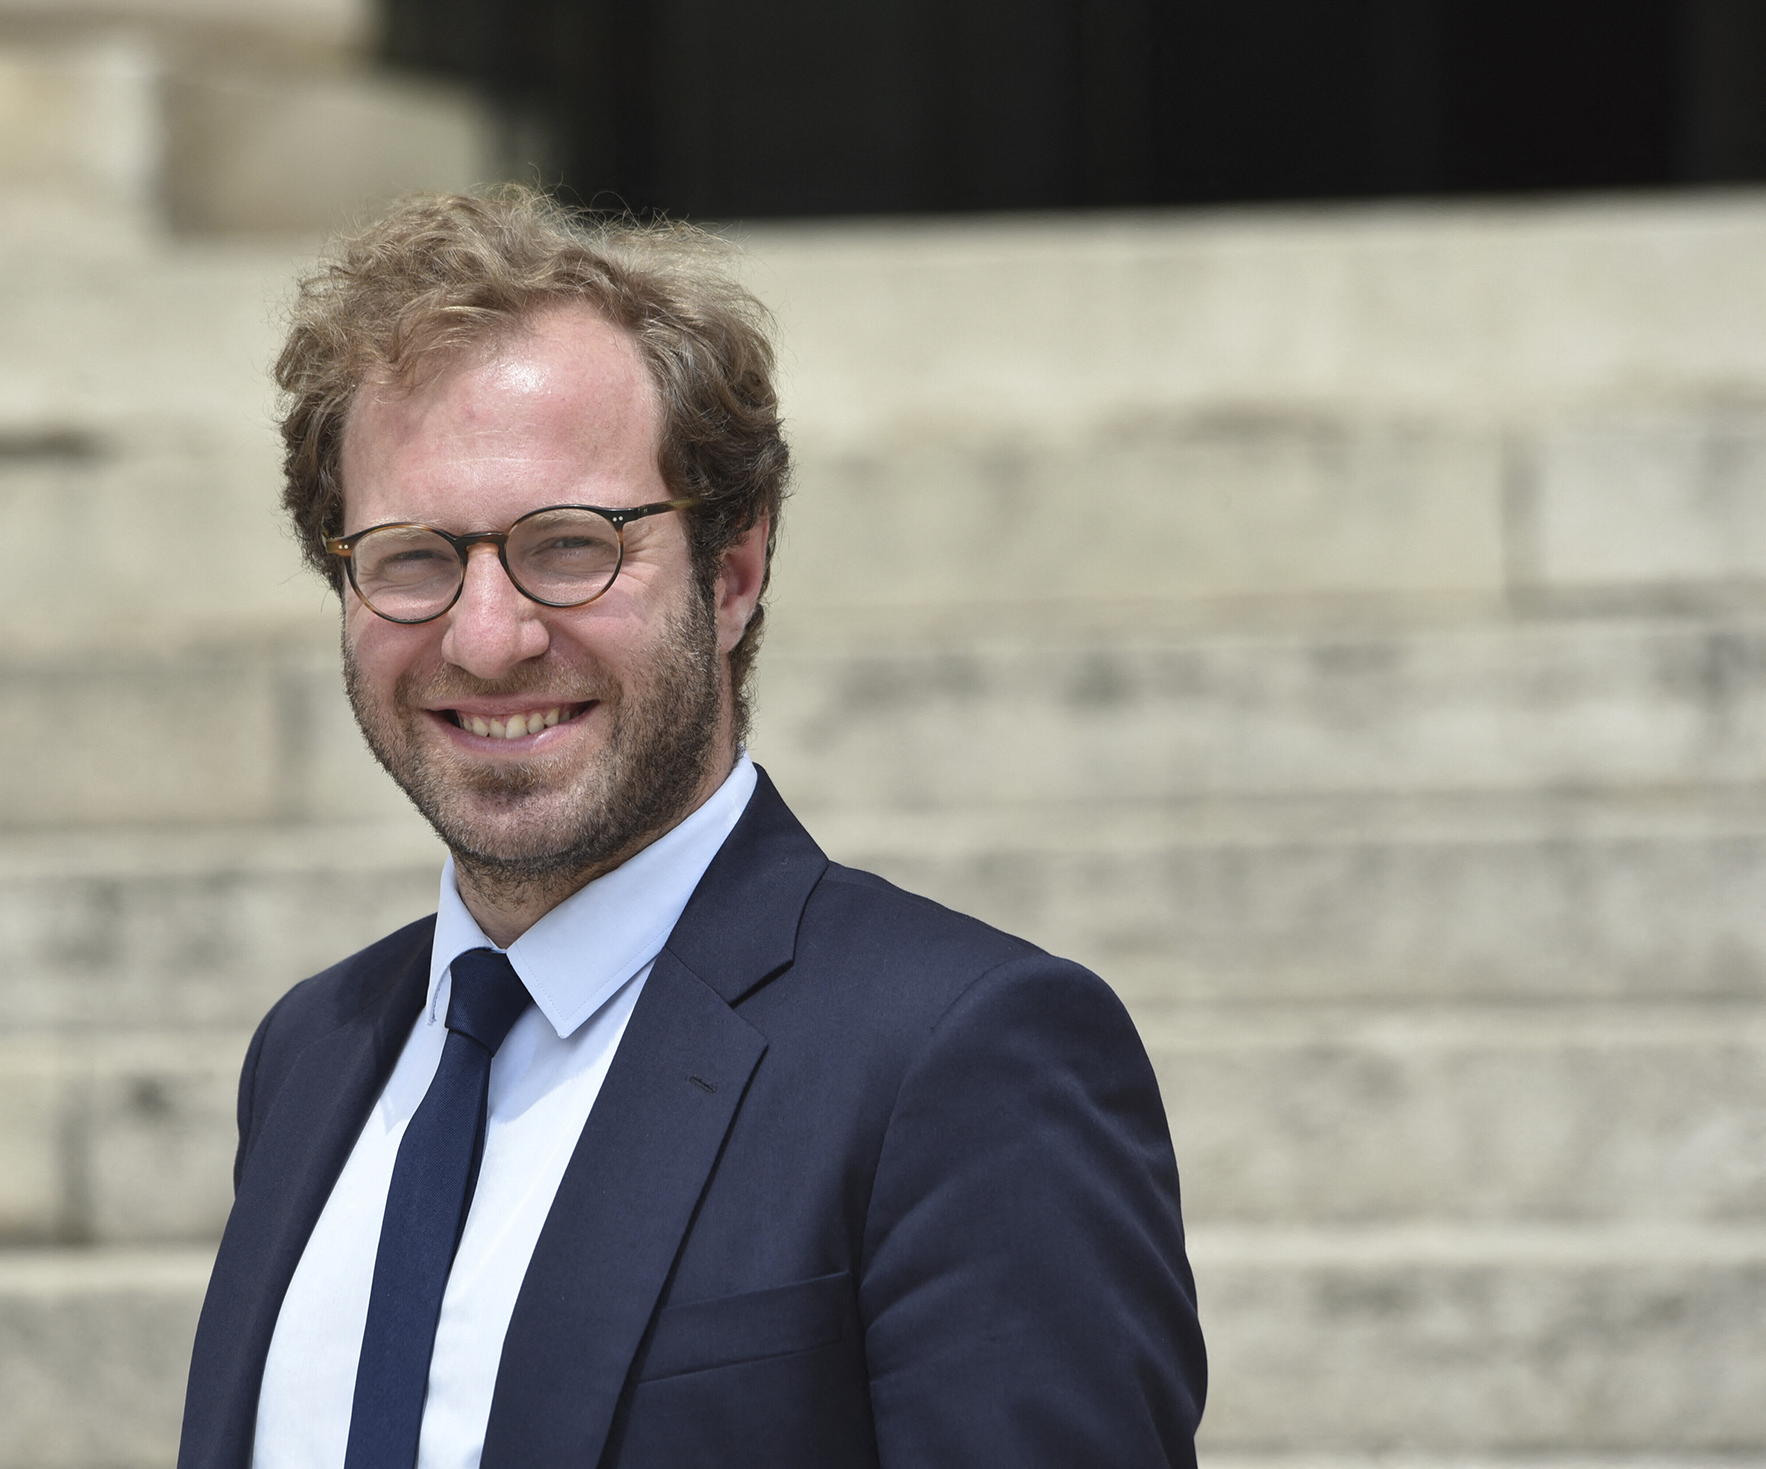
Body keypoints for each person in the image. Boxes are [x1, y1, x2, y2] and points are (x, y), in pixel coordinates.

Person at [177, 188, 1205, 1469]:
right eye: (411, 557)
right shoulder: (313, 1053)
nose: (487, 635)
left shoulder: (957, 1057)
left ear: (732, 574)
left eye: (570, 545)